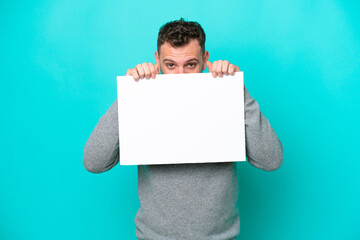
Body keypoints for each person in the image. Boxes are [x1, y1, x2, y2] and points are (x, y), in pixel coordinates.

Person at [83, 18, 283, 240]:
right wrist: (128, 95)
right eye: (170, 65)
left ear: (205, 60)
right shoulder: (143, 100)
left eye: (190, 65)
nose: (180, 76)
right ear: (157, 60)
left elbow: (271, 160)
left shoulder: (224, 97)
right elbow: (94, 162)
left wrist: (237, 90)